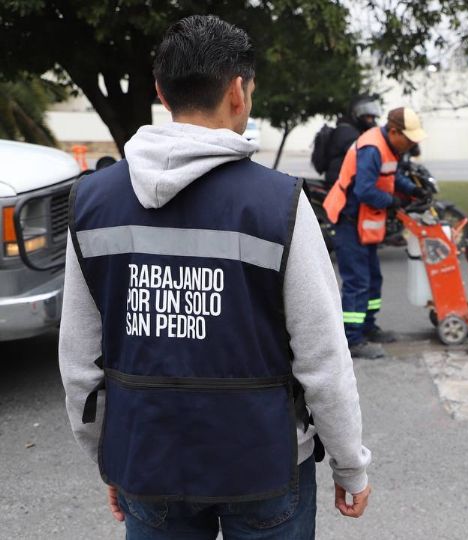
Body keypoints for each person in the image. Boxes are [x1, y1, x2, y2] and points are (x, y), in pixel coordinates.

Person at [58, 16, 371, 538]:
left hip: (147, 461)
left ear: (160, 91)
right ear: (237, 92)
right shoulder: (281, 205)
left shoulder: (91, 203)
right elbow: (323, 359)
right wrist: (349, 464)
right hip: (265, 466)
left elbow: (79, 365)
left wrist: (112, 456)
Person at [323, 107, 428, 358]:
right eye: (409, 137)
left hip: (365, 221)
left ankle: (368, 327)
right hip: (349, 220)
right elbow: (365, 190)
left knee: (372, 278)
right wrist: (392, 201)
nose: (412, 143)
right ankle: (352, 339)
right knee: (357, 282)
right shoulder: (372, 148)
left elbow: (392, 176)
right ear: (394, 131)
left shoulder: (391, 148)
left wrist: (414, 190)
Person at [314, 96, 382, 182]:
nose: (372, 121)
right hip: (340, 181)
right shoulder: (347, 132)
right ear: (359, 116)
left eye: (373, 118)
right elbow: (363, 155)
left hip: (346, 178)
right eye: (369, 117)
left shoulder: (354, 130)